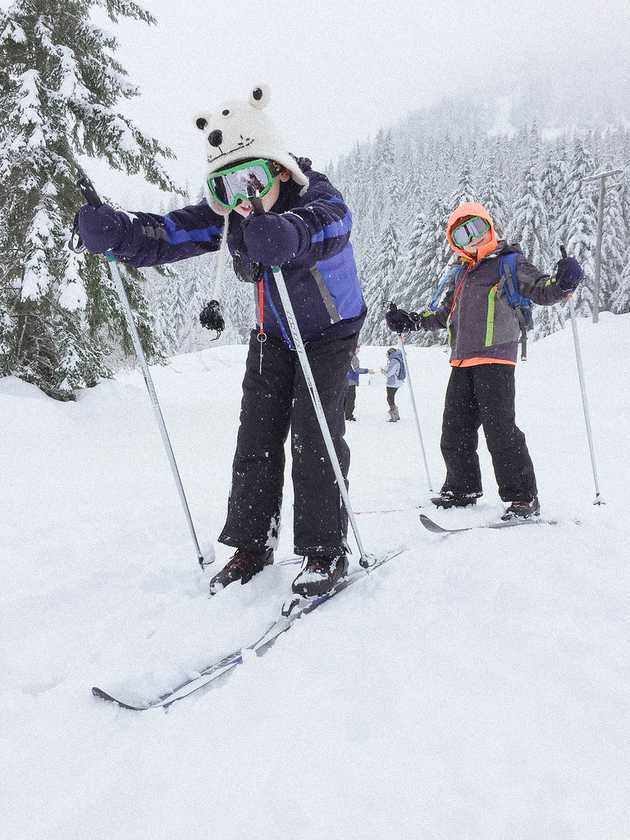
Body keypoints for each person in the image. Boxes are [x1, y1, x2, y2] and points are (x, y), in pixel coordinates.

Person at [78, 85, 366, 596]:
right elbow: (169, 234)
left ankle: (324, 550)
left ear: (279, 168)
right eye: (228, 187)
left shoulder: (314, 196)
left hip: (329, 333)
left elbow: (334, 224)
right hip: (272, 334)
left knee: (314, 435)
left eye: (252, 178)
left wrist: (290, 232)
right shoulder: (234, 214)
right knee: (255, 434)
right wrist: (120, 233)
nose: (244, 197)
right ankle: (253, 543)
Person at [386, 201, 582, 520]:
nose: (471, 239)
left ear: (488, 227)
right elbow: (441, 313)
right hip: (462, 360)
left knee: (499, 428)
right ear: (454, 242)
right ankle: (462, 487)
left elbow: (542, 290)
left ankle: (522, 497)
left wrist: (563, 283)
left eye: (475, 228)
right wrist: (411, 320)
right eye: (461, 235)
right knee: (455, 427)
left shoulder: (509, 262)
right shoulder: (460, 274)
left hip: (496, 357)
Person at [344, 348, 372, 421]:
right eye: (357, 349)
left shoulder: (346, 355)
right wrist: (367, 370)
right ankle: (348, 416)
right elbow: (356, 370)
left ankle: (344, 414)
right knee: (351, 399)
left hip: (345, 381)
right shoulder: (353, 357)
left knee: (345, 398)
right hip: (350, 382)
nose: (358, 350)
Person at [382, 347, 405, 422]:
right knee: (391, 398)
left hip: (393, 383)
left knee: (390, 399)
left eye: (387, 354)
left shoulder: (394, 361)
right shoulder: (397, 358)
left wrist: (383, 371)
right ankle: (396, 415)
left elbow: (389, 373)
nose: (387, 356)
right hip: (397, 382)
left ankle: (394, 416)